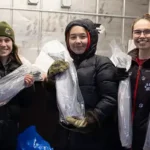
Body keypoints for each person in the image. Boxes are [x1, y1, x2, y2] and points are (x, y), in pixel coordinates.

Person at [46, 19, 122, 150]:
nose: (77, 41)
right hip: (69, 135)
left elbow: (110, 98)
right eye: (73, 37)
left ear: (91, 38)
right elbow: (57, 104)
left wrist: (91, 119)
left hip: (96, 138)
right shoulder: (67, 66)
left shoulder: (102, 63)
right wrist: (51, 82)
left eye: (82, 36)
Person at [0, 21, 34, 149]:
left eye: (7, 40)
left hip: (11, 125)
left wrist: (28, 86)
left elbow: (26, 103)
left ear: (12, 43)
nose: (3, 44)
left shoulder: (20, 68)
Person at [124, 14, 150, 150]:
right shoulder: (126, 63)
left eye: (147, 31)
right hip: (125, 133)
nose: (142, 36)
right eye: (137, 32)